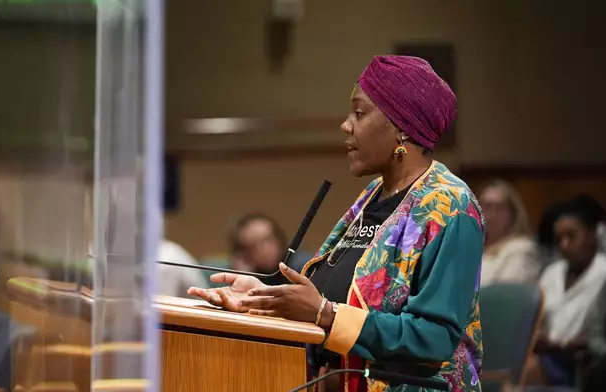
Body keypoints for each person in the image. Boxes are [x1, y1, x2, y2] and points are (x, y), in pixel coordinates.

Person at [189, 55, 484, 392]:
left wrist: (325, 314)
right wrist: (266, 301)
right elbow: (331, 304)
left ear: (401, 126)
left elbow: (434, 339)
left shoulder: (451, 208)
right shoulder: (374, 196)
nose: (346, 125)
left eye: (359, 113)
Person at [533, 195, 606, 386]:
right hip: (546, 355)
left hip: (582, 364)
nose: (564, 245)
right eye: (559, 238)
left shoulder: (603, 272)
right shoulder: (552, 272)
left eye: (572, 236)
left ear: (592, 236)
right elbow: (536, 321)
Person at [479, 179, 541, 287]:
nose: (492, 214)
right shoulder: (473, 248)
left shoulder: (521, 249)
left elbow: (508, 297)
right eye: (487, 207)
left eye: (499, 208)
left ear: (512, 214)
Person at [227, 213, 313, 286]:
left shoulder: (304, 267)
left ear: (279, 238)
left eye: (268, 239)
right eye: (254, 245)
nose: (265, 249)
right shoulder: (247, 274)